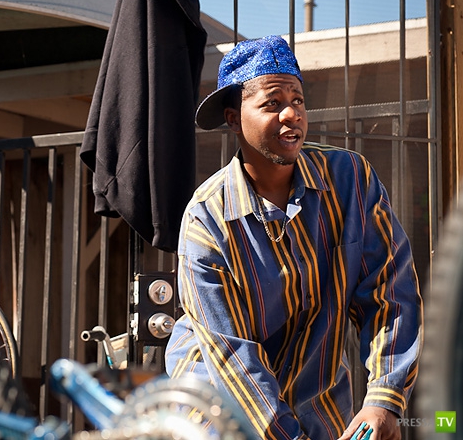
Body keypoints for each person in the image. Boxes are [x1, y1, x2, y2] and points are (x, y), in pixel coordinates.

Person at [165, 35, 423, 440]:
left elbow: (390, 292)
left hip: (318, 402)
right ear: (233, 118)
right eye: (272, 103)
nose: (292, 114)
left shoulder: (351, 181)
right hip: (222, 412)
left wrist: (383, 399)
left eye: (297, 100)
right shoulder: (207, 220)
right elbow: (232, 358)